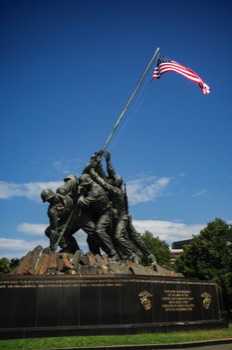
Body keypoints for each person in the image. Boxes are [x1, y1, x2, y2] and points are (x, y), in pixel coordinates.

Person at [78, 174, 119, 260]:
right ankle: (96, 256)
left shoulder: (95, 190)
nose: (84, 186)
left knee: (99, 231)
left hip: (106, 213)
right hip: (98, 213)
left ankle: (113, 254)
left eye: (84, 185)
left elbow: (83, 203)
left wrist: (81, 195)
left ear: (88, 183)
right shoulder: (90, 188)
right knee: (90, 238)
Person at [41, 188, 79, 254]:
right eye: (48, 200)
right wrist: (52, 246)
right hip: (67, 221)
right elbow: (54, 228)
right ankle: (68, 247)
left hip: (80, 216)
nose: (50, 201)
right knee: (48, 231)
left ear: (54, 195)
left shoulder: (66, 196)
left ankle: (69, 248)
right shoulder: (51, 210)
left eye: (51, 198)